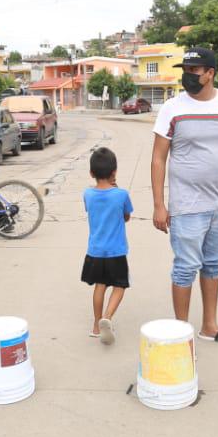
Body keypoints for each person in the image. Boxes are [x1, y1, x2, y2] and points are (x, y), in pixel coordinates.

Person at [151, 47, 218, 346]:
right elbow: (158, 158)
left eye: (194, 71)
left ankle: (209, 325)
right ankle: (181, 332)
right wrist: (159, 205)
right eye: (186, 71)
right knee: (185, 267)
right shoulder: (172, 107)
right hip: (187, 206)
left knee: (213, 265)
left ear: (210, 73)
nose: (188, 77)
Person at [82, 147, 133, 344]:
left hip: (95, 251)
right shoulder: (121, 194)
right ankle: (107, 318)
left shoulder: (88, 194)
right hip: (116, 251)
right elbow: (126, 216)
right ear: (114, 172)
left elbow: (91, 210)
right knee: (119, 286)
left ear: (91, 173)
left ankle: (96, 325)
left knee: (99, 285)